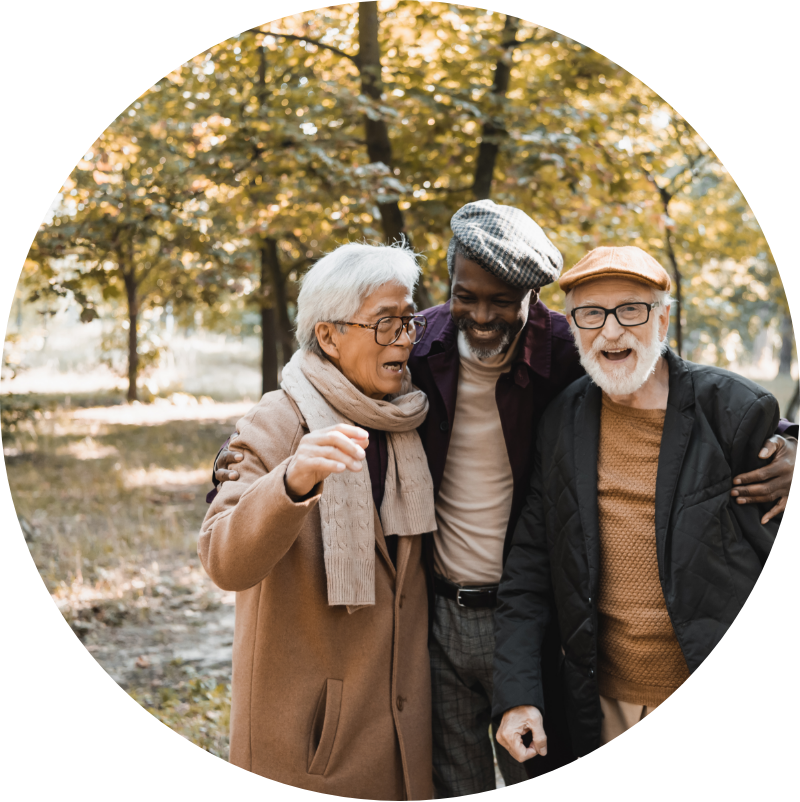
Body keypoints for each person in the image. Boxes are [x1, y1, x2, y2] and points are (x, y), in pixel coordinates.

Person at [210, 203, 799, 799]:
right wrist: (256, 462)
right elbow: (326, 378)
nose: (483, 315)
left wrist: (794, 452)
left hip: (540, 620)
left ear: (535, 300)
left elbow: (699, 399)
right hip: (436, 618)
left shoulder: (574, 359)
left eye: (504, 300)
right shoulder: (415, 350)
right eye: (468, 296)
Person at [493, 246, 797, 764]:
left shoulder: (732, 409)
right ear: (574, 327)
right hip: (608, 704)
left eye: (631, 309)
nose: (611, 331)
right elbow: (529, 565)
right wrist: (517, 694)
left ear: (663, 319)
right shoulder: (561, 421)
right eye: (591, 314)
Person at [198, 242, 436, 800]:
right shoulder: (277, 419)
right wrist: (289, 482)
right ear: (328, 336)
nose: (402, 337)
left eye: (408, 321)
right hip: (312, 750)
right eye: (384, 323)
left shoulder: (408, 419)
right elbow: (222, 560)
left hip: (401, 739)